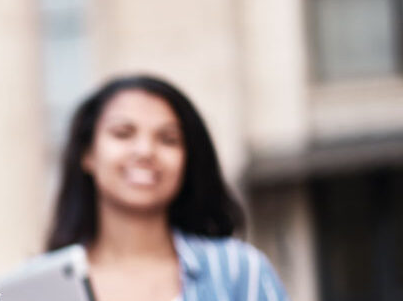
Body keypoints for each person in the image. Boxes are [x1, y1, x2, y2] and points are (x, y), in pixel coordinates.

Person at [44, 75, 289, 301]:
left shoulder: (238, 271)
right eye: (123, 134)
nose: (145, 151)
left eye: (168, 139)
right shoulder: (40, 288)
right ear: (87, 153)